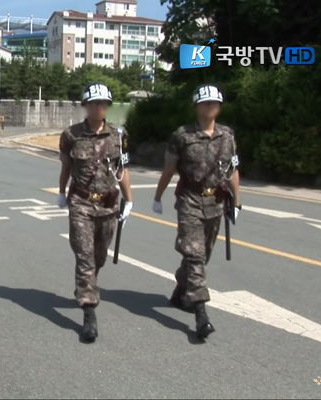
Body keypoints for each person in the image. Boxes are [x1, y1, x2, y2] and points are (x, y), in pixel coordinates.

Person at [152, 84, 241, 340]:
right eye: (205, 102)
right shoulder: (181, 135)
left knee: (203, 255)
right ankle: (201, 314)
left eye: (215, 102)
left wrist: (237, 202)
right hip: (189, 201)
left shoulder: (227, 135)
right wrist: (158, 196)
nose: (210, 106)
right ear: (196, 106)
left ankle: (181, 289)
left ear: (220, 106)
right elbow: (169, 170)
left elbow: (233, 170)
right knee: (194, 254)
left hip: (217, 203)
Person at [57, 83, 134, 343]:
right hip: (80, 202)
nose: (99, 107)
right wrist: (60, 191)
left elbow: (122, 171)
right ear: (86, 105)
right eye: (94, 103)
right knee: (85, 255)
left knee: (99, 256)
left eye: (104, 103)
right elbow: (66, 166)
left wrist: (130, 199)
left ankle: (89, 283)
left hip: (109, 204)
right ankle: (89, 312)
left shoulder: (118, 136)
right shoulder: (71, 135)